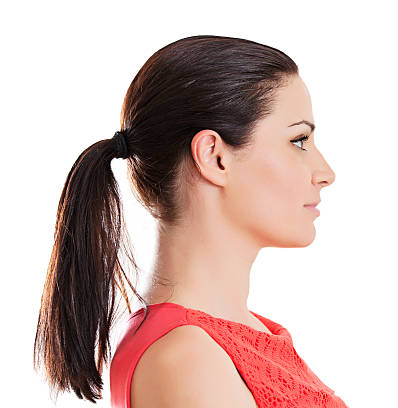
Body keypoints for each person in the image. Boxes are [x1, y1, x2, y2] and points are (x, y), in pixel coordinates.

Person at [33, 35, 348, 407]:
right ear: (215, 157)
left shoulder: (238, 337)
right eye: (299, 140)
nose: (325, 172)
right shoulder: (188, 361)